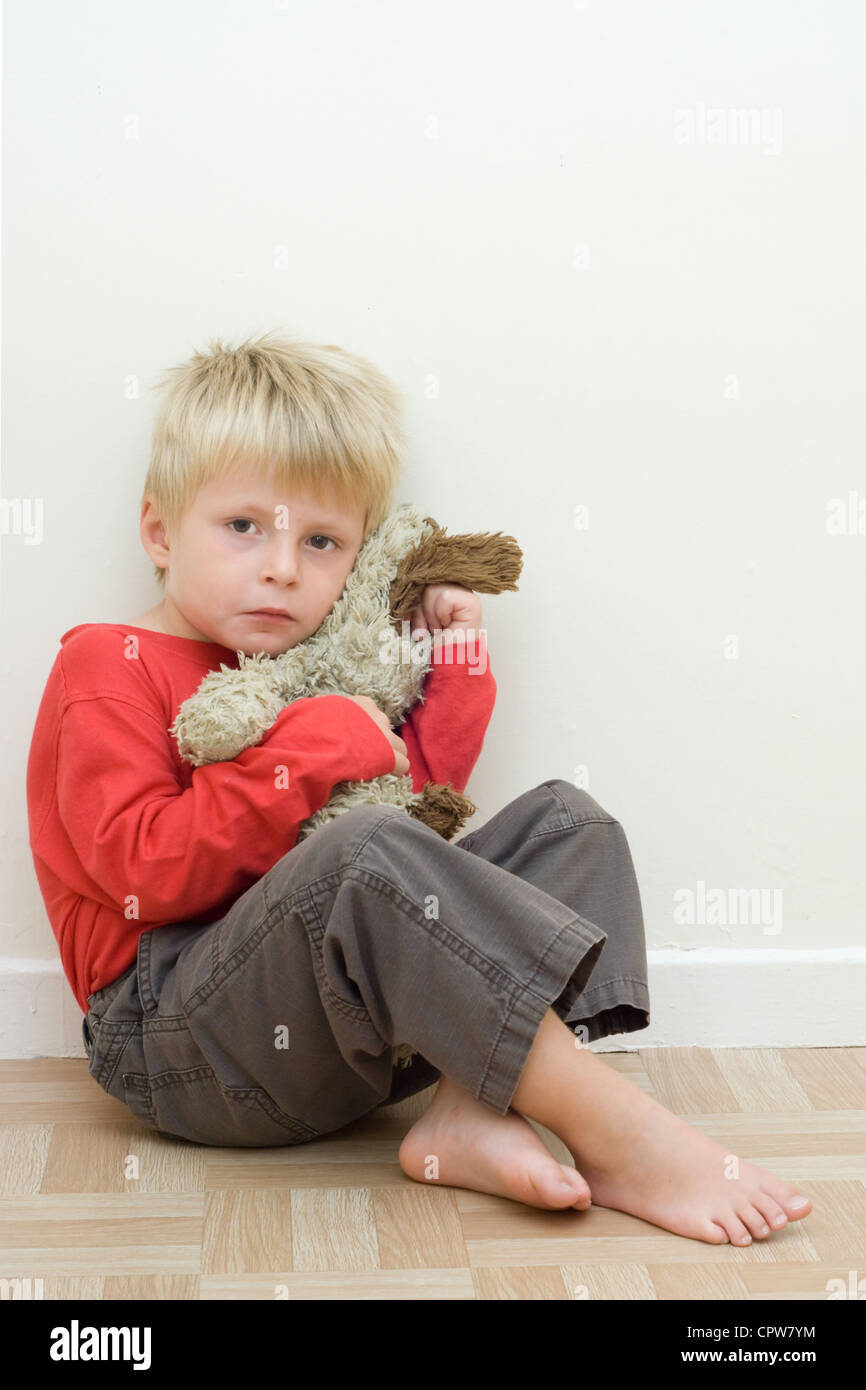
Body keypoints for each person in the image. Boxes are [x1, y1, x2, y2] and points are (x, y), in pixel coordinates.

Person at [26, 330, 813, 1247]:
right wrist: (311, 749)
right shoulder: (107, 664)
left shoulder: (312, 666)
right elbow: (144, 872)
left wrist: (455, 658)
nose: (282, 566)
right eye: (244, 526)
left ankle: (468, 1110)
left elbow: (413, 809)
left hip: (342, 1035)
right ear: (161, 532)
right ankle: (614, 1130)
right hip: (176, 1043)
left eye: (321, 541)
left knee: (571, 823)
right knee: (363, 857)